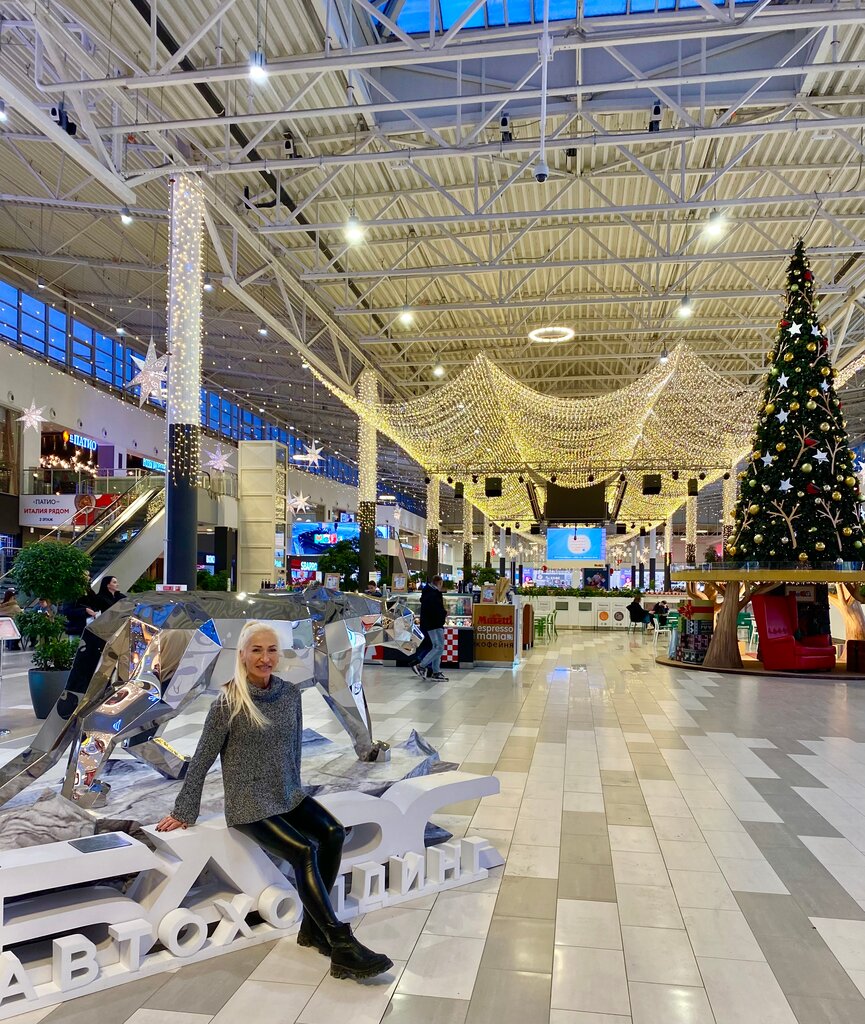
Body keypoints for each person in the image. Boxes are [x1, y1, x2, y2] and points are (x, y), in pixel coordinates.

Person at [156, 622, 392, 982]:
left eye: (271, 651)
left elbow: (293, 748)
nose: (264, 658)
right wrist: (184, 810)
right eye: (256, 650)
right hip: (248, 802)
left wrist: (293, 789)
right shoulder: (229, 701)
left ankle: (312, 930)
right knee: (302, 851)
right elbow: (202, 759)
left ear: (279, 655)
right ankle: (339, 941)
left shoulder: (289, 694)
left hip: (286, 793)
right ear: (242, 655)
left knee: (332, 833)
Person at [411, 575, 448, 682]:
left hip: (430, 624)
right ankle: (421, 666)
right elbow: (436, 609)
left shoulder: (427, 592)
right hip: (435, 624)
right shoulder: (434, 594)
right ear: (439, 583)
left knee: (437, 647)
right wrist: (444, 613)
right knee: (439, 647)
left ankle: (436, 671)